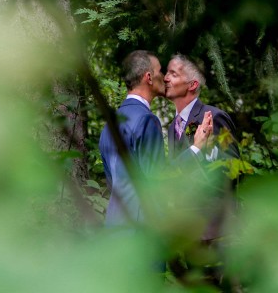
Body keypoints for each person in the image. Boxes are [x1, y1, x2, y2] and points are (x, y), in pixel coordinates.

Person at [99, 50, 213, 227]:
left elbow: (113, 182)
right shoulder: (147, 120)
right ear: (149, 77)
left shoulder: (110, 125)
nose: (165, 77)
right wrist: (196, 148)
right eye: (160, 71)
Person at [163, 53, 240, 289]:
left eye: (173, 74)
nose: (165, 78)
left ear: (192, 84)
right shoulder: (172, 127)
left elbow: (232, 170)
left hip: (216, 234)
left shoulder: (214, 118)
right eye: (166, 72)